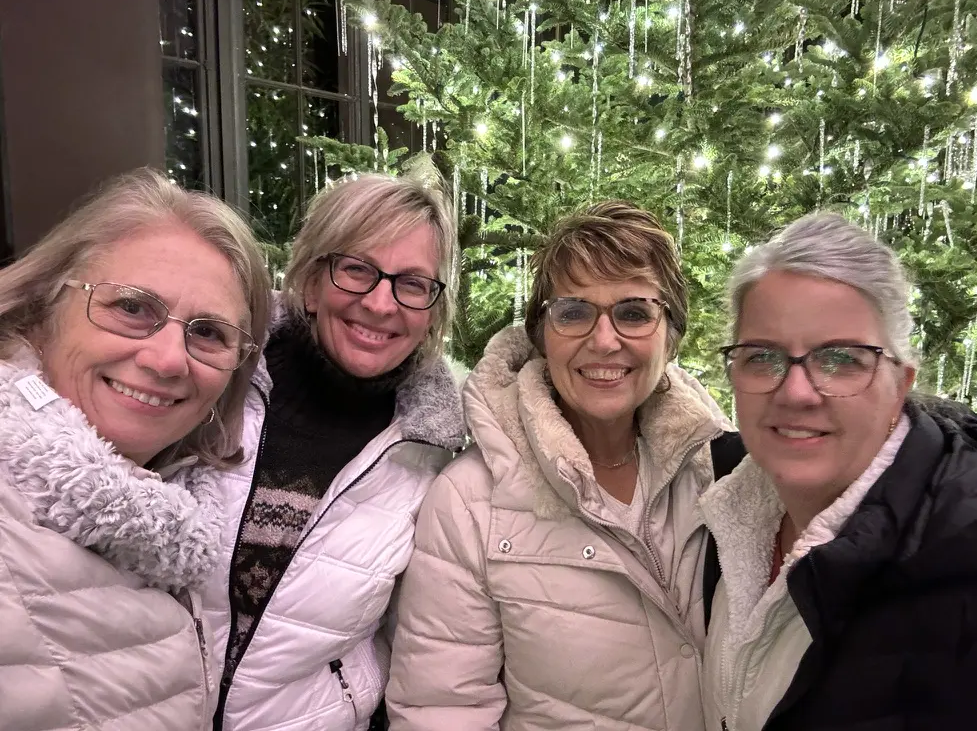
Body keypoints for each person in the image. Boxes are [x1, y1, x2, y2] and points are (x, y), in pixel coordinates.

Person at [387, 201, 732, 731]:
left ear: (672, 334)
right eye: (573, 312)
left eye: (634, 312)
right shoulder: (471, 502)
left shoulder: (722, 471)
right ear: (541, 335)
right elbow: (441, 710)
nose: (604, 340)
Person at [700, 213, 977, 731]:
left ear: (900, 385)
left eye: (842, 360)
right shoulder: (725, 511)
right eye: (762, 356)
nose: (796, 393)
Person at [0, 168, 271, 730]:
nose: (167, 359)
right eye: (131, 307)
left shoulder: (176, 511)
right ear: (44, 310)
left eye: (208, 332)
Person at [201, 173, 465, 730]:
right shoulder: (209, 381)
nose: (381, 303)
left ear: (432, 311)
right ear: (311, 279)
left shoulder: (437, 452)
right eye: (357, 269)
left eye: (413, 283)